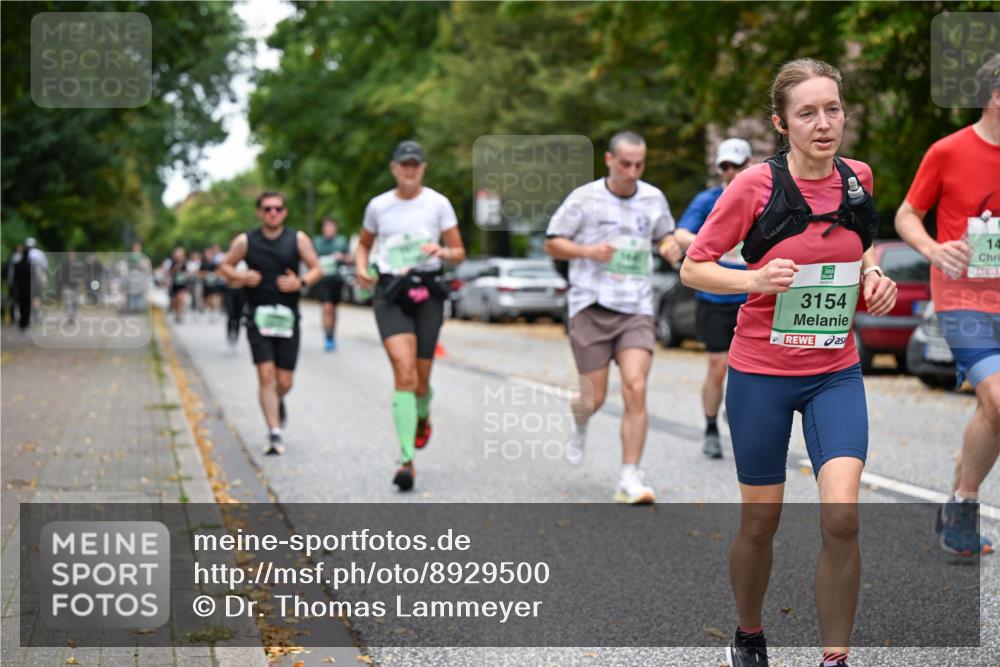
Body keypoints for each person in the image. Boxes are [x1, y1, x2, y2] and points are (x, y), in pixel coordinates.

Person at [680, 59, 897, 667]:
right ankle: (749, 634)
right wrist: (754, 277)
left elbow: (861, 240)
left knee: (843, 517)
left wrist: (873, 273)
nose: (823, 124)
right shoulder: (752, 186)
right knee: (760, 524)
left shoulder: (859, 178)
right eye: (807, 113)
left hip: (835, 370)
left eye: (833, 109)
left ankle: (835, 658)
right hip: (761, 375)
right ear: (781, 122)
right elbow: (694, 266)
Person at [895, 53, 1000, 557]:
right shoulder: (948, 151)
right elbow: (907, 214)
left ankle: (958, 507)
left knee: (992, 407)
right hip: (963, 299)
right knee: (999, 398)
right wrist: (934, 248)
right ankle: (965, 504)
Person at [545, 130, 676, 504]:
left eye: (639, 164)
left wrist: (668, 248)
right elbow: (552, 241)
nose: (633, 172)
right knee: (594, 397)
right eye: (626, 164)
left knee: (636, 387)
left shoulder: (653, 198)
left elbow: (664, 235)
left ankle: (629, 477)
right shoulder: (584, 199)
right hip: (591, 305)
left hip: (635, 307)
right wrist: (588, 251)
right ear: (609, 160)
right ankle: (580, 418)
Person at [354, 140, 466, 491]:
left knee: (420, 379)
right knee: (403, 372)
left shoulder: (438, 204)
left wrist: (442, 251)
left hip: (427, 291)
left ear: (423, 167)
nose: (410, 169)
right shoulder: (378, 206)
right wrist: (361, 268)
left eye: (416, 164)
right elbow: (363, 244)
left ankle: (422, 411)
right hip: (391, 292)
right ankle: (406, 461)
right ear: (394, 168)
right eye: (404, 164)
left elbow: (460, 253)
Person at [664, 138, 753, 459]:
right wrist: (711, 241)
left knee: (752, 369)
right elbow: (681, 234)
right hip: (715, 298)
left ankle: (737, 406)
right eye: (725, 167)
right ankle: (711, 427)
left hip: (752, 296)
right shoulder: (708, 200)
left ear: (748, 166)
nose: (731, 172)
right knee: (718, 364)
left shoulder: (762, 196)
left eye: (737, 165)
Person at [218, 192, 322, 455]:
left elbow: (316, 268)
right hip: (257, 316)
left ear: (285, 212)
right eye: (267, 209)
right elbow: (224, 266)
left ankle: (278, 399)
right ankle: (274, 433)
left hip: (287, 317)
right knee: (266, 375)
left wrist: (301, 282)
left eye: (277, 208)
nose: (272, 213)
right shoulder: (246, 240)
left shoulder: (297, 239)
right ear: (259, 212)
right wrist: (241, 277)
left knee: (284, 380)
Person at [312, 217, 351, 351]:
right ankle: (328, 336)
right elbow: (310, 259)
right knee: (326, 307)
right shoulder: (317, 242)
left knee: (333, 309)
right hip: (322, 280)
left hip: (336, 280)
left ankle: (332, 333)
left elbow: (350, 258)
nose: (329, 230)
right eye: (326, 227)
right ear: (323, 229)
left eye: (331, 227)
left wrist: (342, 257)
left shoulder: (341, 242)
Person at [166, 247, 188, 323]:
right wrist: (176, 267)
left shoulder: (185, 263)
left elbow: (188, 272)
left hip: (182, 284)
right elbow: (169, 273)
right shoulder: (172, 263)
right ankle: (176, 313)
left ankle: (181, 315)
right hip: (174, 285)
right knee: (175, 301)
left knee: (181, 299)